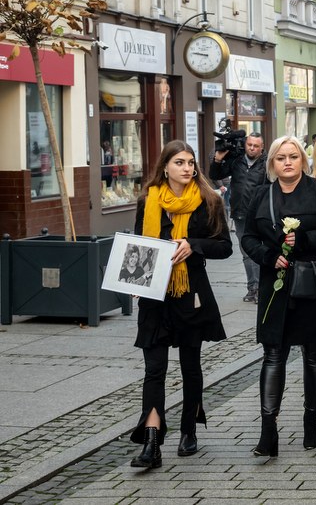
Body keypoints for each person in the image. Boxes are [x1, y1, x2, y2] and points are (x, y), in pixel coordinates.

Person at [241, 136, 316, 457]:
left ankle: (311, 419)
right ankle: (267, 429)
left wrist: (303, 240)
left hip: (312, 283)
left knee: (313, 354)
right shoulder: (262, 195)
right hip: (275, 284)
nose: (287, 162)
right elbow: (247, 237)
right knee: (273, 353)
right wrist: (267, 255)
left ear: (303, 159)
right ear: (272, 163)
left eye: (293, 156)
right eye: (280, 158)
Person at [129, 140, 232, 469]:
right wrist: (133, 279)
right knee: (154, 370)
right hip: (155, 294)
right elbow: (139, 244)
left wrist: (194, 245)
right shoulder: (148, 200)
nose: (188, 168)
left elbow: (225, 247)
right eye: (180, 163)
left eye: (191, 162)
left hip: (192, 295)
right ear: (165, 167)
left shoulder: (209, 200)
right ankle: (151, 441)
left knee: (190, 366)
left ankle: (189, 429)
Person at [208, 131, 266, 303]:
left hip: (260, 214)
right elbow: (215, 175)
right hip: (240, 213)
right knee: (246, 252)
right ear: (245, 144)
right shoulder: (237, 160)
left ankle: (262, 288)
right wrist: (218, 159)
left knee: (260, 251)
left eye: (256, 146)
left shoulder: (267, 163)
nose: (252, 148)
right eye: (249, 145)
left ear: (262, 147)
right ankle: (253, 288)